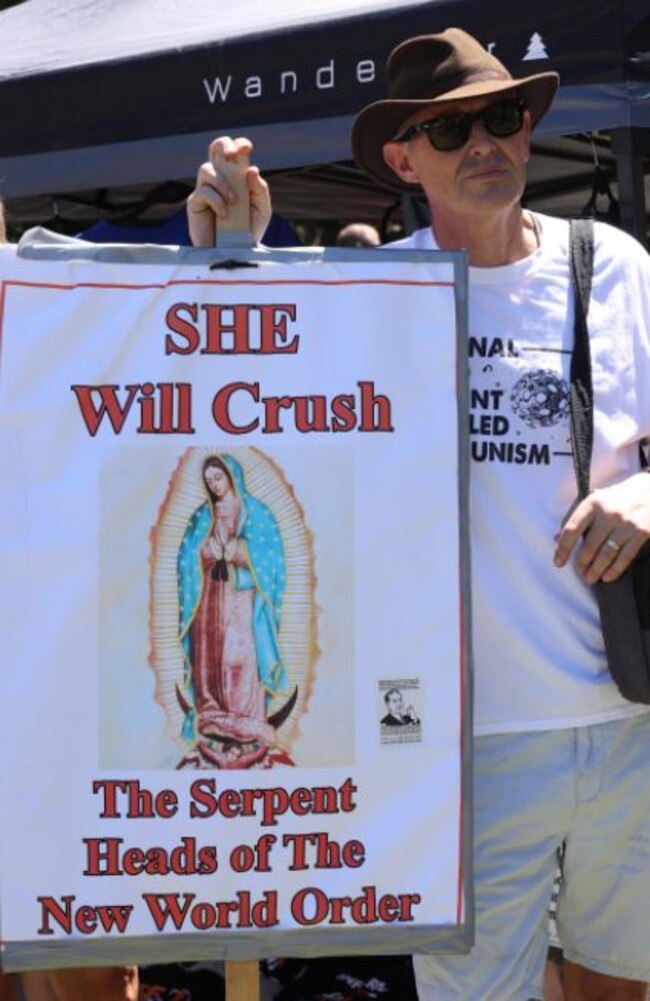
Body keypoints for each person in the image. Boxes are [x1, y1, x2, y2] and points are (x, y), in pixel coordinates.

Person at [186, 27, 650, 1001]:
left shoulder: (611, 264)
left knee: (620, 982)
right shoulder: (367, 288)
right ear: (403, 159)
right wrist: (231, 253)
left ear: (525, 129)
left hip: (629, 721)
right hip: (460, 749)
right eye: (448, 130)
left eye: (499, 116)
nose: (482, 141)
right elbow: (228, 381)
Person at [177, 453, 289, 769]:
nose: (214, 485)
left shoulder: (255, 513)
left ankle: (246, 718)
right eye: (209, 481)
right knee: (210, 656)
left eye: (218, 478)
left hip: (241, 595)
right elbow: (187, 556)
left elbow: (271, 558)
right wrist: (205, 551)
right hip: (209, 597)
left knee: (239, 655)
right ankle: (212, 713)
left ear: (231, 476)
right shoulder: (202, 516)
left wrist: (240, 550)